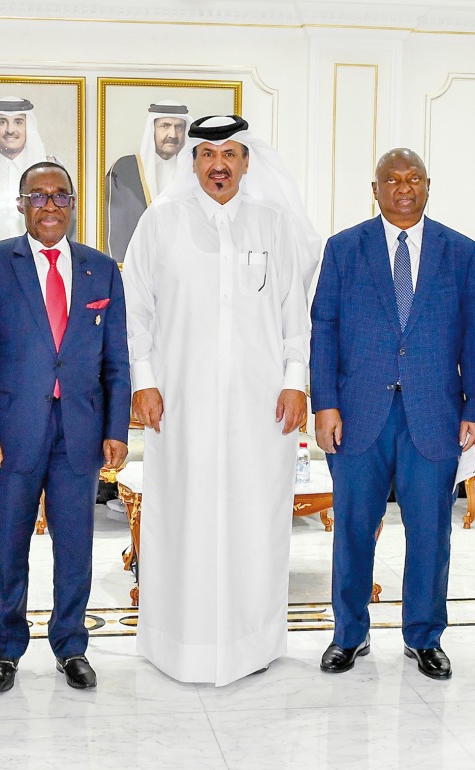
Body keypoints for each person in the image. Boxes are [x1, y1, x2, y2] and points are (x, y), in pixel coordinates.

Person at [123, 115, 318, 686]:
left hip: (262, 407)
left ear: (247, 162)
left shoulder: (273, 224)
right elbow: (138, 309)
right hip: (181, 403)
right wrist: (144, 380)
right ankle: (177, 644)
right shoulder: (161, 223)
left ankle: (252, 642)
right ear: (193, 163)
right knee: (183, 515)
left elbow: (293, 312)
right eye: (208, 155)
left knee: (255, 516)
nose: (219, 165)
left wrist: (295, 379)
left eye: (230, 154)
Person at [311, 148, 475, 682]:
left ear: (428, 186)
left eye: (414, 179)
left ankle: (424, 637)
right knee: (352, 529)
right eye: (392, 179)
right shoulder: (344, 248)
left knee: (431, 532)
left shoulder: (461, 251)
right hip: (358, 414)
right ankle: (349, 634)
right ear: (375, 188)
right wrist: (325, 403)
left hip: (433, 415)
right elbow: (323, 327)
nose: (404, 187)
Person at [0, 161, 131, 693]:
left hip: (79, 430)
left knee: (75, 544)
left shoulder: (100, 269)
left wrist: (116, 427)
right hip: (11, 432)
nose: (50, 205)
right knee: (7, 545)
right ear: (21, 205)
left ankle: (71, 644)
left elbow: (117, 361)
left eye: (60, 196)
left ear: (73, 204)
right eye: (38, 197)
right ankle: (5, 649)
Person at [0, 96, 75, 257]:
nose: (10, 130)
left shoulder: (53, 172)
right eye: (2, 122)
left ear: (28, 127)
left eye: (18, 122)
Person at [103, 100, 188, 261]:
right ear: (152, 130)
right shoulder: (124, 170)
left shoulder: (194, 173)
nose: (173, 135)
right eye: (165, 126)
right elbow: (114, 233)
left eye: (179, 127)